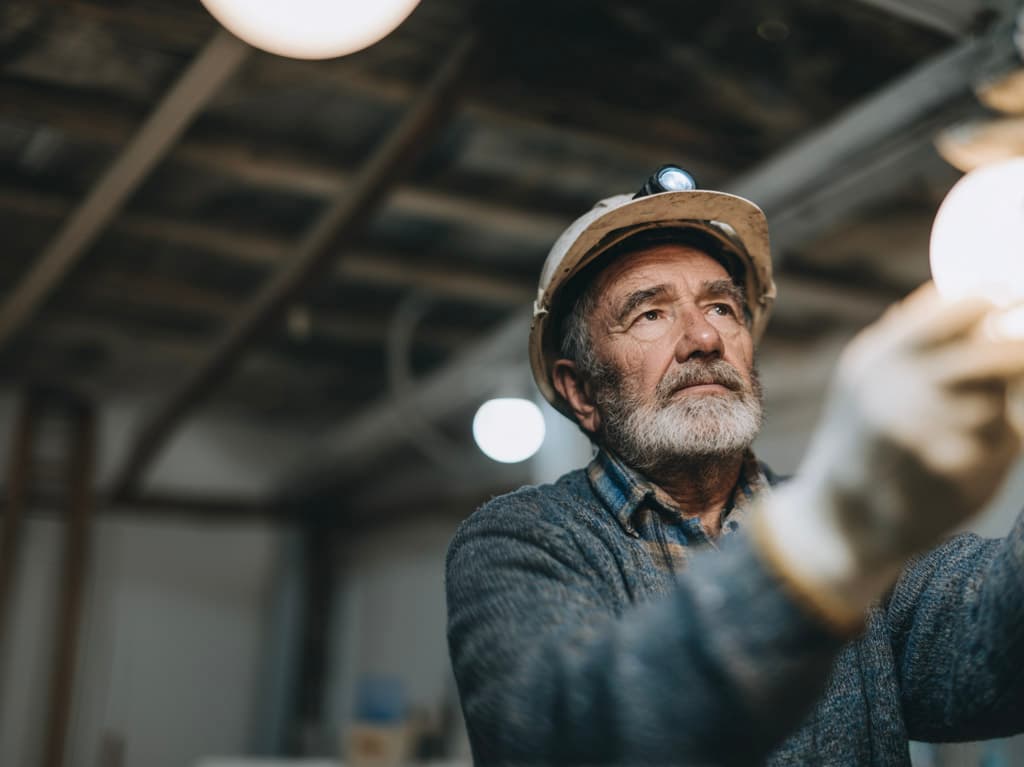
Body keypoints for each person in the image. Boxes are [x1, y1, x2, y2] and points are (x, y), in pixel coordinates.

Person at [445, 166, 1024, 765]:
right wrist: (824, 537)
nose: (703, 338)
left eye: (722, 307)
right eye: (650, 314)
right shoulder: (519, 541)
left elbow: (997, 658)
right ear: (581, 392)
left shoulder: (867, 542)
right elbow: (568, 742)